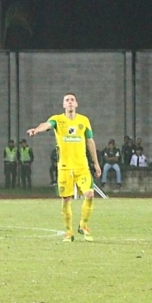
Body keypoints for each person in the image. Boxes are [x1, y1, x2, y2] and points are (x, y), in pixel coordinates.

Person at [27, 92, 101, 242]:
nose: (70, 102)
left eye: (72, 100)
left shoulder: (84, 121)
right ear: (63, 105)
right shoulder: (57, 120)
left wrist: (96, 163)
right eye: (67, 100)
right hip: (65, 168)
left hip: (82, 167)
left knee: (90, 194)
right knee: (66, 200)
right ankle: (68, 232)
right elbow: (46, 125)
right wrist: (36, 130)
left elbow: (90, 141)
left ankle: (83, 225)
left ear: (77, 104)